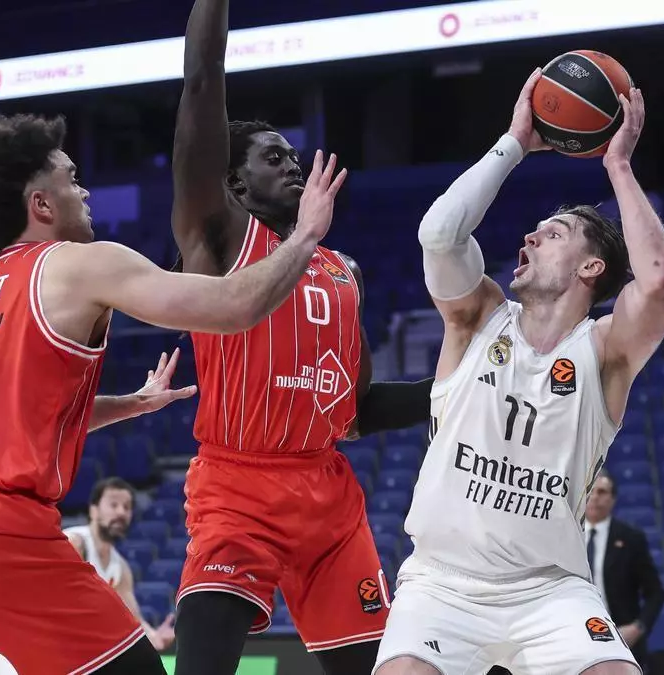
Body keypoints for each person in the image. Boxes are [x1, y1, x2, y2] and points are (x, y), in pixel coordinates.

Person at [0, 113, 349, 675]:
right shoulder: (80, 264)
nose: (84, 191)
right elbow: (235, 307)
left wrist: (131, 404)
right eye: (72, 178)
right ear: (42, 205)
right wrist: (306, 234)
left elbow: (6, 420)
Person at [374, 69, 664, 675]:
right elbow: (439, 234)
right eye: (535, 231)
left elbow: (659, 281)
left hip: (550, 589)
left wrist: (618, 166)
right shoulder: (477, 317)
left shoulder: (605, 351)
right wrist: (515, 143)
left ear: (591, 267)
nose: (531, 237)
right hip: (442, 584)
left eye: (553, 234)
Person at [168, 2, 434, 674]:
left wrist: (458, 390)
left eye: (295, 154)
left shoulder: (344, 270)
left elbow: (356, 412)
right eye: (273, 157)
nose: (294, 164)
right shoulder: (219, 238)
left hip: (327, 498)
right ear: (234, 182)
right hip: (237, 489)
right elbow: (201, 81)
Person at [0, 475, 178, 673]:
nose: (121, 512)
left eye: (127, 507)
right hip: (16, 635)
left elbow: (134, 618)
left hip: (48, 643)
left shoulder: (120, 567)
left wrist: (154, 637)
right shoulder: (73, 543)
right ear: (93, 510)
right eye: (114, 505)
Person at [583, 470, 664, 668]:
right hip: (577, 636)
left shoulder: (631, 538)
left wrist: (638, 627)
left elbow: (656, 593)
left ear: (613, 499)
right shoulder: (568, 535)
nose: (594, 497)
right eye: (590, 491)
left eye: (602, 492)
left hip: (621, 638)